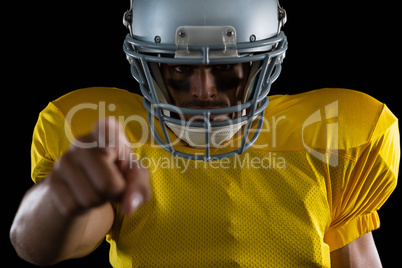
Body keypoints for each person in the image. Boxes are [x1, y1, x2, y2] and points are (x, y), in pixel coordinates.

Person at [10, 0, 399, 267]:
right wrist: (61, 197)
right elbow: (38, 245)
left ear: (262, 63)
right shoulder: (115, 141)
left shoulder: (331, 137)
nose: (203, 90)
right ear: (148, 66)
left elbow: (355, 256)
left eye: (226, 66)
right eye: (180, 69)